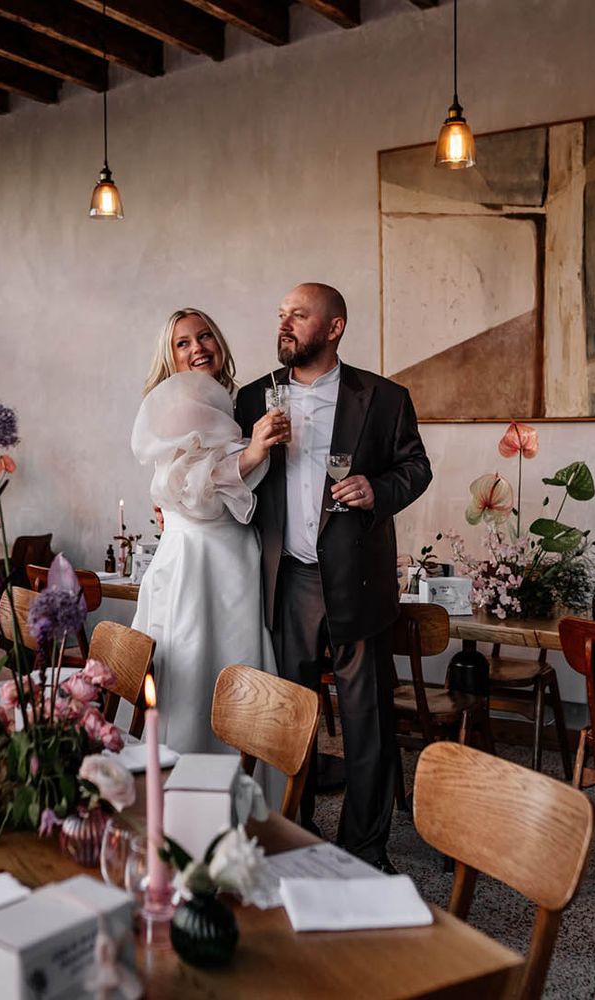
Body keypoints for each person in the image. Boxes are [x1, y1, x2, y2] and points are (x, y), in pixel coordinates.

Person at [235, 282, 432, 873]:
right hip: (285, 580)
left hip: (358, 580)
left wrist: (378, 490)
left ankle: (366, 851)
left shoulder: (384, 397)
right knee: (290, 721)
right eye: (281, 313)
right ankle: (294, 838)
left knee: (367, 719)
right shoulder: (251, 399)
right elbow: (224, 469)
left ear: (335, 327)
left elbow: (416, 467)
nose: (286, 323)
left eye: (299, 314)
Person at [130, 308, 288, 753]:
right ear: (171, 355)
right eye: (183, 343)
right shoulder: (179, 403)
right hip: (201, 559)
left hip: (234, 553)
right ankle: (189, 790)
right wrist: (254, 452)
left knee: (236, 667)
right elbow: (192, 491)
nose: (198, 347)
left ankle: (240, 780)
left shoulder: (227, 399)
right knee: (200, 669)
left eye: (205, 336)